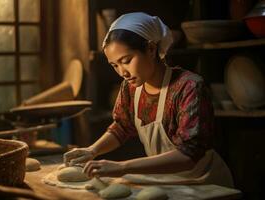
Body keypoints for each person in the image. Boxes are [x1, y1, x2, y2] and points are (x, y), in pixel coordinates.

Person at [64, 12, 234, 187]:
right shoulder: (130, 88)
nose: (123, 72)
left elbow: (189, 155)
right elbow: (122, 127)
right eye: (115, 65)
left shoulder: (189, 87)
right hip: (163, 179)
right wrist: (92, 150)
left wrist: (123, 167)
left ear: (151, 49)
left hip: (203, 182)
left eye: (126, 60)